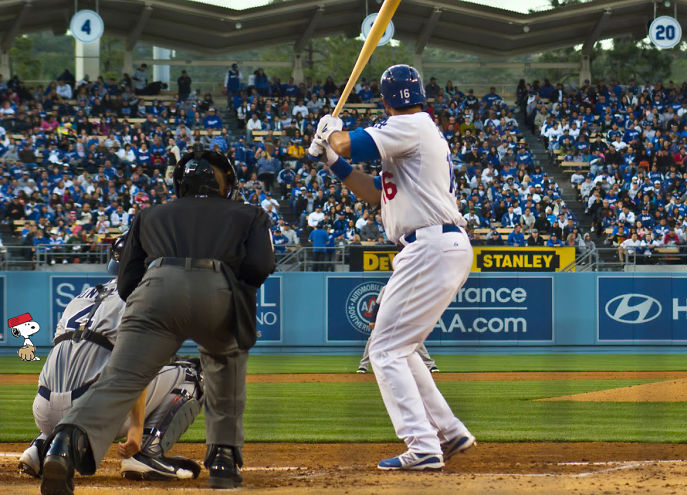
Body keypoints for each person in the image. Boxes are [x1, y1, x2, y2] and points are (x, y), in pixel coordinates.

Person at [38, 151, 275, 494]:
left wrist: (151, 300)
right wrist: (230, 291)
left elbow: (126, 281)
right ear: (225, 184)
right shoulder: (249, 214)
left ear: (180, 184)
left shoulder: (149, 215)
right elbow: (261, 266)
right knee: (224, 368)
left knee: (120, 379)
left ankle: (62, 446)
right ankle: (223, 461)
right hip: (218, 284)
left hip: (155, 288)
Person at [311, 64, 475, 471]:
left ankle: (423, 446)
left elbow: (349, 143)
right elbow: (373, 193)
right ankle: (448, 430)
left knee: (383, 350)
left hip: (430, 246)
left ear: (386, 101)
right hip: (437, 245)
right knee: (399, 347)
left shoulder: (410, 126)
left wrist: (331, 134)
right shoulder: (417, 131)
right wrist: (331, 159)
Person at [19, 236, 204, 482]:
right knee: (194, 371)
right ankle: (146, 452)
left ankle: (42, 447)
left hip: (43, 410)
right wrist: (136, 429)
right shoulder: (146, 298)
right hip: (92, 415)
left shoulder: (82, 297)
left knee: (90, 365)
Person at [356, 286, 438, 374]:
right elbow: (377, 305)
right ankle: (363, 366)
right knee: (372, 340)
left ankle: (430, 365)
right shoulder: (387, 288)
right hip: (386, 319)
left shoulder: (409, 288)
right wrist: (372, 320)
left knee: (415, 339)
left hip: (403, 318)